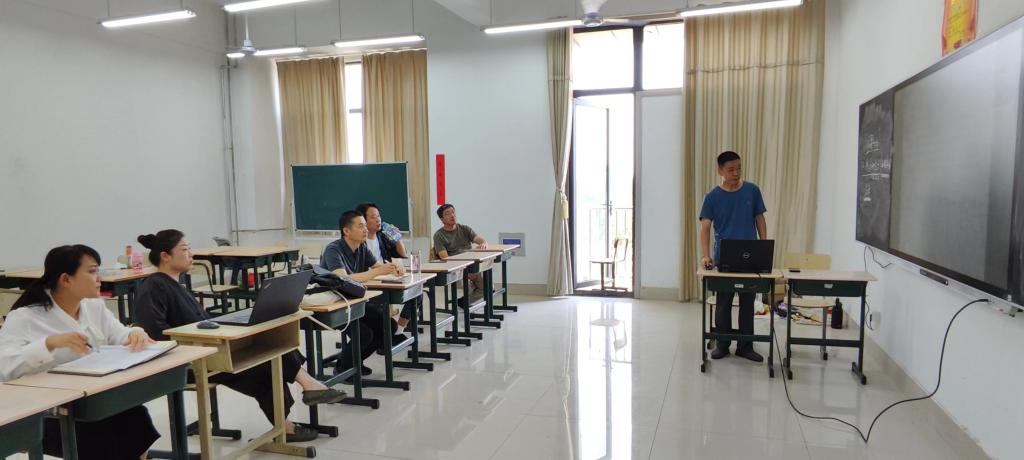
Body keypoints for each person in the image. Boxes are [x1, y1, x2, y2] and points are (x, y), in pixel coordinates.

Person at [132, 230, 346, 443]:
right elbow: (154, 335)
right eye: (185, 249)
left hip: (209, 351)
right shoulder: (154, 286)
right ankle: (289, 421)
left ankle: (305, 393)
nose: (191, 254)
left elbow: (200, 322)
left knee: (272, 345)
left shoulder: (175, 284)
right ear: (165, 256)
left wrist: (228, 325)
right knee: (265, 368)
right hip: (189, 362)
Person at [0, 245, 159, 459]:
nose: (99, 278)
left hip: (90, 401)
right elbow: (5, 367)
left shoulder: (94, 306)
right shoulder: (25, 317)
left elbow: (119, 333)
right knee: (105, 435)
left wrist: (135, 333)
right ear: (66, 279)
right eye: (92, 271)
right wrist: (48, 344)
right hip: (47, 413)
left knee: (135, 415)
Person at [699, 150, 768, 362]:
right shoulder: (712, 197)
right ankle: (723, 343)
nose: (736, 173)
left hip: (750, 256)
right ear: (720, 171)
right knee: (723, 303)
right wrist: (706, 256)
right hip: (724, 257)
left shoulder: (752, 190)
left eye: (739, 168)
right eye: (731, 169)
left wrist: (764, 246)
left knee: (748, 303)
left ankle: (745, 346)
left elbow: (760, 219)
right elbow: (705, 227)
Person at [321, 211, 407, 375]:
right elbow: (342, 279)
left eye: (365, 226)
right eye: (360, 226)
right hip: (335, 305)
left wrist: (394, 269)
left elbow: (378, 268)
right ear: (346, 231)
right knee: (364, 333)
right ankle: (343, 368)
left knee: (388, 325)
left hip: (354, 301)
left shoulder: (362, 247)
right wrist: (378, 271)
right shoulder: (333, 249)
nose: (365, 230)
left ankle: (353, 362)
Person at [355, 202, 418, 334]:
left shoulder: (382, 236)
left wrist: (397, 237)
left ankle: (399, 330)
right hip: (369, 283)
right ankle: (387, 334)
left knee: (416, 292)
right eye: (373, 217)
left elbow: (402, 253)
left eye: (379, 216)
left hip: (385, 279)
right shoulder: (358, 242)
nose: (378, 220)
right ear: (363, 221)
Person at [432, 203, 488, 300]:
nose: (452, 215)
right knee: (469, 286)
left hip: (471, 265)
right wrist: (465, 271)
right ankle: (465, 304)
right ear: (442, 219)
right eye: (448, 213)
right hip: (456, 269)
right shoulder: (439, 235)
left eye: (453, 212)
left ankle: (462, 303)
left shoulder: (464, 229)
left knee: (489, 287)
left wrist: (484, 243)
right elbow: (446, 259)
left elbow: (481, 240)